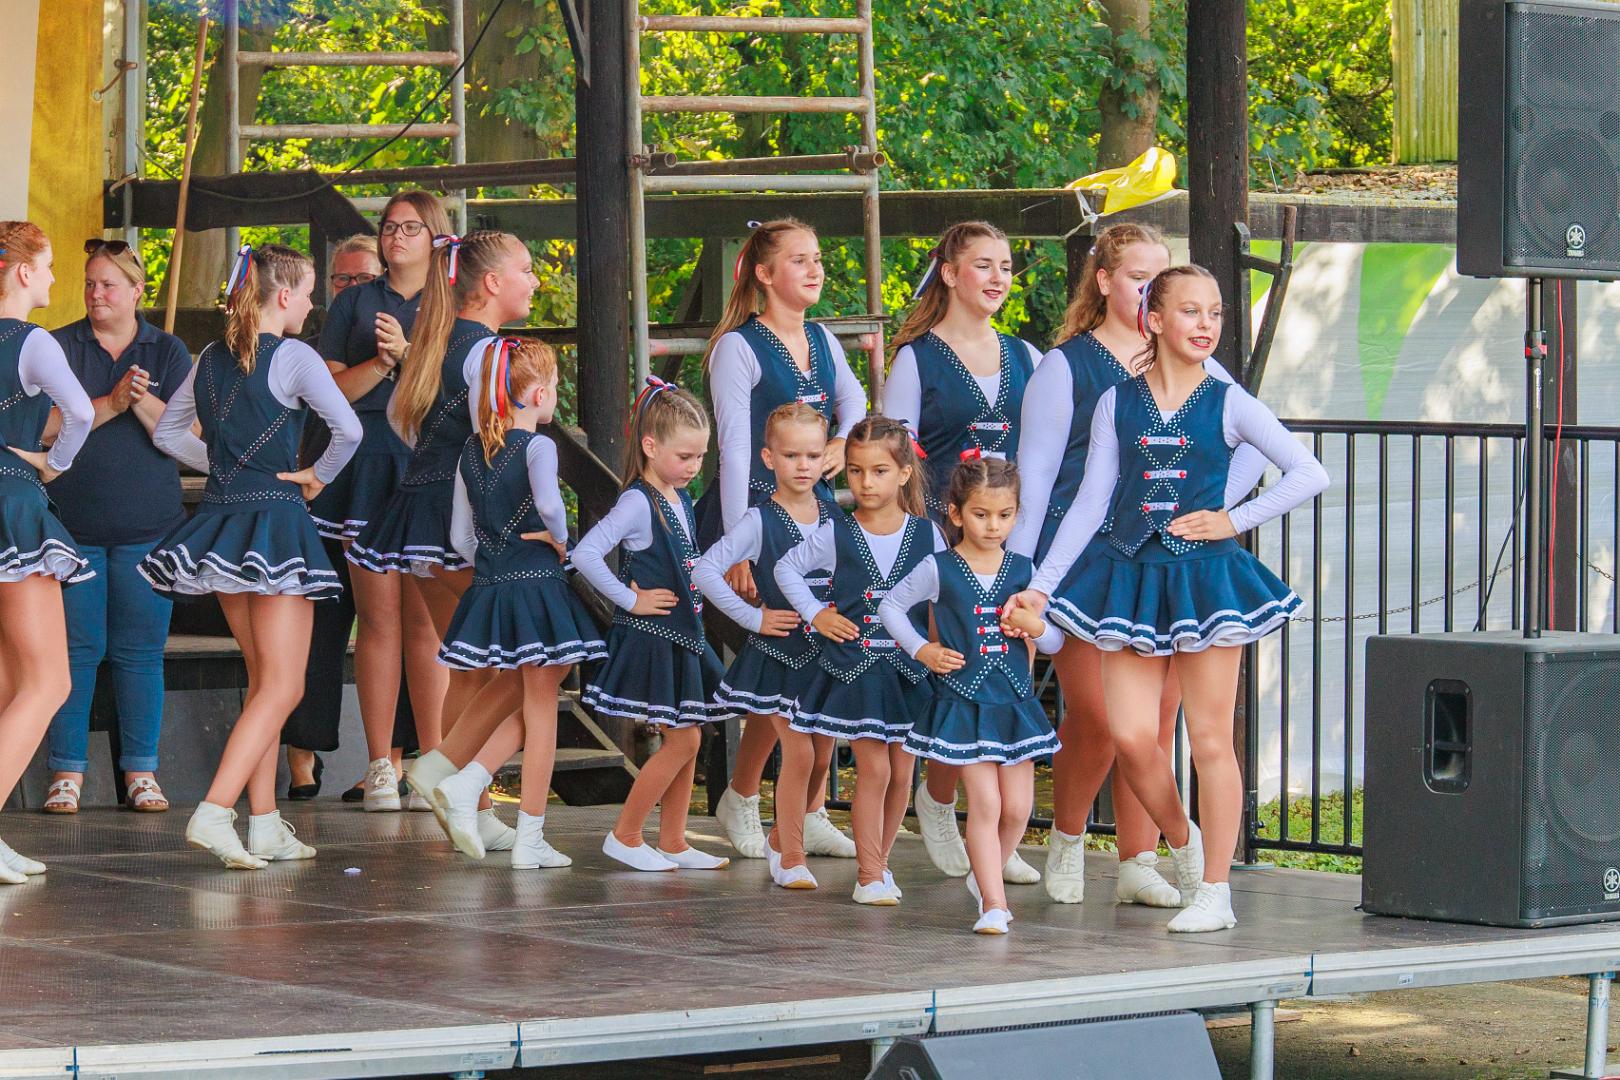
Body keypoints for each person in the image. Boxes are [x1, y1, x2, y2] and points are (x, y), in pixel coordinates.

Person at [1004, 264, 1328, 932]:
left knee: (1209, 739)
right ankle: (1185, 844)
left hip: (1205, 583)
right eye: (1190, 311)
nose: (1206, 324)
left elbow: (1308, 470)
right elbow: (1091, 502)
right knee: (1130, 736)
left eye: (1215, 312)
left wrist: (1232, 519)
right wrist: (1039, 585)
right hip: (1128, 580)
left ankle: (1216, 892)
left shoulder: (1230, 401)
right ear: (1154, 319)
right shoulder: (1115, 402)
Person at [141, 244, 361, 868]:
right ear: (283, 296)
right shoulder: (294, 356)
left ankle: (263, 822)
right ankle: (216, 810)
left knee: (264, 683)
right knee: (284, 684)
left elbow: (167, 433)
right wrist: (317, 475)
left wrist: (223, 465)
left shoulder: (209, 357)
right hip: (276, 523)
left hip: (221, 523)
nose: (312, 305)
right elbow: (350, 430)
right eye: (309, 293)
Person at [353, 229, 538, 852]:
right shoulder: (490, 353)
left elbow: (406, 425)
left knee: (469, 666)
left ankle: (471, 805)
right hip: (463, 524)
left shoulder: (439, 341)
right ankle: (447, 773)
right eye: (526, 269)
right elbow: (497, 451)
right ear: (492, 283)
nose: (534, 281)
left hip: (421, 514)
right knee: (526, 668)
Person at [883, 220, 1043, 885]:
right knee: (952, 676)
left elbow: (1046, 448)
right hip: (942, 540)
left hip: (1007, 543)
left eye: (1005, 266)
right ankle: (941, 798)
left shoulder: (1027, 355)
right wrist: (922, 538)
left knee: (1006, 675)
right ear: (949, 273)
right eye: (983, 264)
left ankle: (995, 834)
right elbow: (895, 457)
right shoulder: (917, 358)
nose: (998, 277)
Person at [702, 219, 865, 864]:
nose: (815, 268)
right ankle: (744, 796)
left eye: (818, 257)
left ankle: (810, 809)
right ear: (765, 274)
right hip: (755, 520)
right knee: (779, 661)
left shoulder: (822, 339)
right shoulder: (737, 348)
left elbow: (856, 404)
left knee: (816, 655)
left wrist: (840, 443)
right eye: (799, 259)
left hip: (814, 518)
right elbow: (734, 448)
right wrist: (741, 547)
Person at [288, 200, 448, 811]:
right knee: (377, 622)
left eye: (411, 227)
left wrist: (408, 355)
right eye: (389, 227)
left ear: (435, 236)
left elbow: (453, 395)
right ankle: (381, 763)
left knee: (426, 626)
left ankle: (433, 764)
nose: (396, 236)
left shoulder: (450, 303)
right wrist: (381, 363)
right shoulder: (354, 302)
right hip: (364, 466)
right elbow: (329, 391)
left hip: (428, 465)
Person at [430, 337, 605, 868]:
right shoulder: (538, 446)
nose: (554, 396)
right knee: (542, 705)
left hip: (494, 581)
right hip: (537, 581)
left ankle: (471, 782)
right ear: (536, 395)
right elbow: (550, 505)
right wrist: (561, 539)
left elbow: (460, 537)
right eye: (553, 386)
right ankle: (528, 835)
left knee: (538, 694)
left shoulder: (470, 450)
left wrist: (494, 555)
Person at [38, 239, 191, 815]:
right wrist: (111, 401)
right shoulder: (58, 345)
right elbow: (43, 427)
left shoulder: (167, 349)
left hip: (148, 525)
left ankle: (141, 772)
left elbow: (186, 437)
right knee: (74, 652)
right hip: (70, 526)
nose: (95, 293)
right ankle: (66, 773)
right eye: (88, 283)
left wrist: (140, 401)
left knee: (141, 653)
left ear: (136, 291)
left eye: (107, 284)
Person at [881, 457, 1064, 933]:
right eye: (981, 514)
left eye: (1005, 515)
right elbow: (891, 606)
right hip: (963, 703)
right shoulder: (938, 567)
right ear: (956, 513)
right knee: (986, 804)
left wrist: (1034, 626)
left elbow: (1055, 641)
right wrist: (922, 649)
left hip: (1013, 705)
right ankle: (994, 904)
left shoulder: (1025, 571)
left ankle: (985, 876)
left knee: (1018, 809)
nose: (993, 525)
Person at [775, 417, 943, 905]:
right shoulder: (837, 532)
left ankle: (880, 864)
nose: (866, 482)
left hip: (909, 671)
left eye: (879, 471)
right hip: (857, 669)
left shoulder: (929, 535)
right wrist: (817, 613)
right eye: (855, 471)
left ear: (904, 473)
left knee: (902, 772)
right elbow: (787, 568)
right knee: (875, 769)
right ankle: (868, 874)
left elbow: (945, 596)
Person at [573, 378, 731, 873]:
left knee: (692, 735)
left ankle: (674, 840)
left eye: (700, 456)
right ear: (650, 446)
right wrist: (630, 599)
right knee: (683, 739)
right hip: (655, 637)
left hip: (683, 635)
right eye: (684, 456)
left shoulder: (679, 498)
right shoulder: (638, 502)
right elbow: (586, 553)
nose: (694, 466)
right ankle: (625, 834)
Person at [692, 403, 836, 890]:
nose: (803, 465)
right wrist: (754, 618)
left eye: (812, 455)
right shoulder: (759, 520)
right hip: (779, 656)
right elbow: (705, 571)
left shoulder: (836, 516)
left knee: (821, 757)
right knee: (800, 754)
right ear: (769, 458)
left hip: (828, 656)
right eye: (791, 455)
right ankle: (791, 856)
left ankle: (781, 836)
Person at [0, 220, 95, 882]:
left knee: (11, 683)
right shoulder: (32, 341)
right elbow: (81, 413)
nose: (57, 278)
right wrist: (54, 463)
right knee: (49, 680)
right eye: (51, 265)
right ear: (24, 271)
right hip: (12, 505)